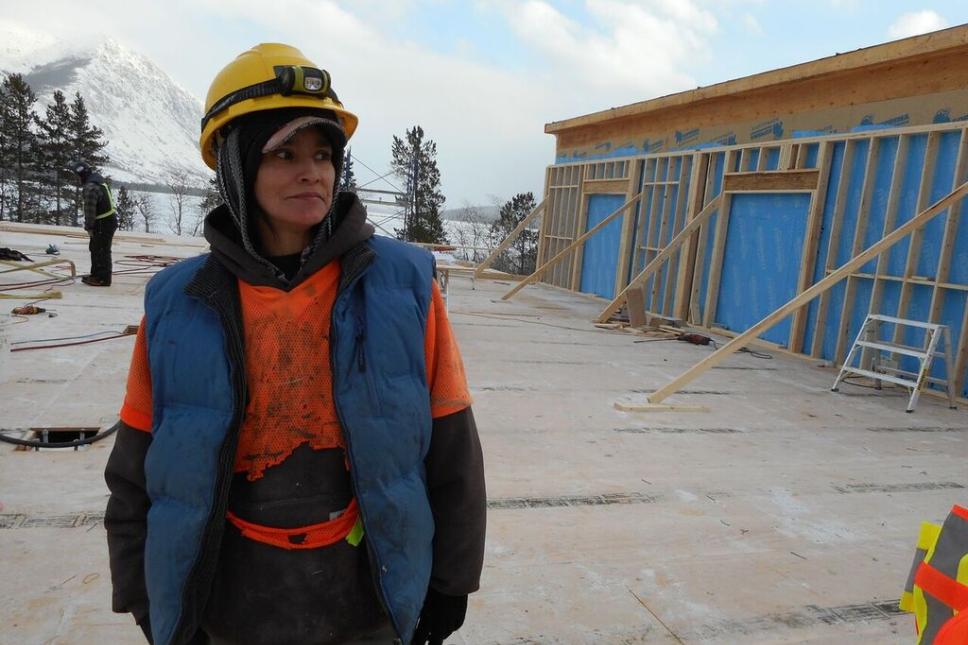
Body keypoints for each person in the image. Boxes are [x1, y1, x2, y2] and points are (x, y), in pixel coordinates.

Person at [103, 43, 486, 645]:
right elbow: (136, 467)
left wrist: (451, 582)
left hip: (367, 602)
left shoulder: (403, 286)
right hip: (229, 605)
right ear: (236, 164)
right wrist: (144, 594)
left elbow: (452, 449)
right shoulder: (179, 302)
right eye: (284, 153)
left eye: (323, 153)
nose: (312, 171)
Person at [72, 160, 118, 286]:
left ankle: (102, 279)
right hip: (106, 220)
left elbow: (90, 210)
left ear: (81, 175)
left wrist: (89, 227)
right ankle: (96, 275)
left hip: (103, 222)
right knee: (96, 248)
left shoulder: (90, 187)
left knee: (102, 250)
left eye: (77, 176)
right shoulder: (99, 182)